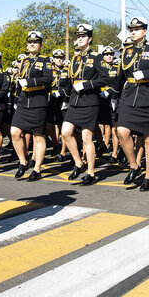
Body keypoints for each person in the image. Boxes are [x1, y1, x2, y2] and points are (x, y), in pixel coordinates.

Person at [115, 16, 149, 191]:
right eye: (131, 30)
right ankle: (134, 165)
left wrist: (146, 75)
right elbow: (121, 75)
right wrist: (113, 94)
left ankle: (148, 176)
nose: (133, 32)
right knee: (122, 131)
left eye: (137, 29)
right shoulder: (127, 51)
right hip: (130, 96)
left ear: (145, 31)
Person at [60, 24, 111, 185]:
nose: (80, 38)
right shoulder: (75, 58)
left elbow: (105, 78)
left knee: (87, 137)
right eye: (78, 36)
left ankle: (91, 173)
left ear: (89, 39)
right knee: (65, 132)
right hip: (75, 101)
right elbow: (69, 80)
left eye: (83, 36)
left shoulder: (96, 57)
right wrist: (66, 100)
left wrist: (86, 85)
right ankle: (78, 163)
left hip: (89, 101)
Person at [11, 31, 54, 180]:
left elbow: (49, 79)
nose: (32, 45)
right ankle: (23, 161)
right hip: (24, 101)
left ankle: (37, 169)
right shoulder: (24, 61)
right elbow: (19, 82)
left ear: (40, 45)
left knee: (38, 137)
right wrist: (16, 100)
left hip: (38, 101)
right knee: (14, 132)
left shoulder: (46, 60)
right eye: (30, 42)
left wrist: (30, 83)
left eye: (35, 42)